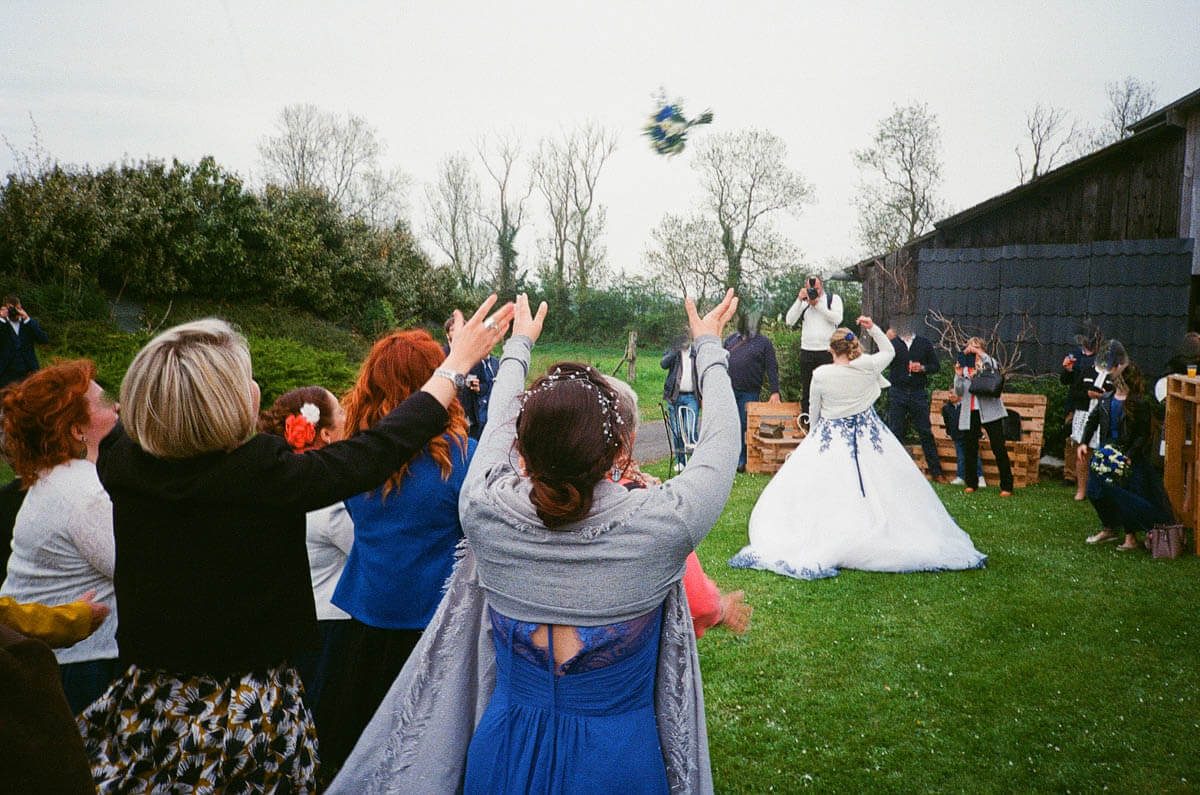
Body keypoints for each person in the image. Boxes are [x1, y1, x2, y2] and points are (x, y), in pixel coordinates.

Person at [78, 299, 511, 792]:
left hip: (150, 699)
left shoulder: (122, 467)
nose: (256, 387)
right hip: (245, 712)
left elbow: (128, 435)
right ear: (223, 403)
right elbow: (376, 451)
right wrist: (453, 367)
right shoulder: (260, 475)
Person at [330, 291, 742, 795]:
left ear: (521, 447)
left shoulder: (482, 512)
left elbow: (498, 426)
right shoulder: (663, 526)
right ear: (620, 447)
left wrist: (519, 346)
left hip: (501, 754)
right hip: (618, 764)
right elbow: (720, 446)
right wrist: (708, 349)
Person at [317, 329, 477, 772]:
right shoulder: (466, 460)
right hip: (434, 630)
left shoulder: (354, 458)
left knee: (359, 757)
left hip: (363, 627)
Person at [730, 317, 986, 580]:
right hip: (871, 436)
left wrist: (815, 438)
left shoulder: (821, 374)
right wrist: (872, 328)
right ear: (851, 347)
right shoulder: (867, 366)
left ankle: (835, 532)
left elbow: (814, 411)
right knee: (884, 485)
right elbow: (889, 351)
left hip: (831, 436)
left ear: (831, 350)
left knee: (827, 489)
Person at [0, 360, 121, 713]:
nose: (114, 406)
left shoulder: (56, 479)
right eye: (102, 402)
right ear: (76, 430)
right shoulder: (79, 492)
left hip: (54, 657)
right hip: (78, 666)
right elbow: (136, 567)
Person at [604, 374, 751, 639]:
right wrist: (719, 608)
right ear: (629, 439)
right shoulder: (647, 506)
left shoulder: (524, 500)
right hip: (632, 654)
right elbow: (699, 604)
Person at [256, 386, 353, 719]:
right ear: (325, 434)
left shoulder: (277, 480)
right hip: (330, 622)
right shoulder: (326, 498)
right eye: (340, 411)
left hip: (295, 614)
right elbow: (361, 550)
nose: (346, 417)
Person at [1081, 353, 1172, 550]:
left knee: (1125, 495)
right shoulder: (1106, 398)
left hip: (1128, 454)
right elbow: (1092, 420)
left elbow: (1143, 434)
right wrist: (1083, 443)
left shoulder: (1138, 402)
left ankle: (1131, 537)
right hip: (1105, 452)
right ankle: (1109, 528)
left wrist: (1129, 456)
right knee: (1094, 491)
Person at [885, 317, 944, 482]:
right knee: (896, 431)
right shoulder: (893, 344)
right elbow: (881, 362)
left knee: (925, 431)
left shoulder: (924, 343)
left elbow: (935, 366)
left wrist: (923, 368)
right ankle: (893, 471)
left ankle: (936, 472)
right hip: (898, 391)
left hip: (918, 392)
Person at [954, 337, 1014, 497]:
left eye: (976, 347)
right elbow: (959, 392)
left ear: (982, 349)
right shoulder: (966, 368)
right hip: (970, 411)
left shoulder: (988, 364)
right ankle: (971, 483)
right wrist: (959, 375)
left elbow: (995, 366)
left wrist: (979, 353)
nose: (972, 349)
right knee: (970, 448)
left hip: (990, 411)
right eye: (969, 347)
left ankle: (1007, 486)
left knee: (998, 447)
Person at [724, 310, 780, 472]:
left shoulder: (764, 343)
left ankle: (742, 460)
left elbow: (772, 368)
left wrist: (775, 391)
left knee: (744, 425)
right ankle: (729, 459)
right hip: (729, 391)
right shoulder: (730, 340)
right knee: (729, 426)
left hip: (749, 392)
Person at [785, 275, 843, 419]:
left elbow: (837, 319)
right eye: (811, 288)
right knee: (808, 389)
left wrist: (817, 304)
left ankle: (828, 420)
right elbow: (789, 321)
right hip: (807, 351)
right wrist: (799, 299)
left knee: (828, 388)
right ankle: (807, 422)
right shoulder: (804, 303)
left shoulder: (832, 299)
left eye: (816, 288)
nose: (814, 291)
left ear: (821, 286)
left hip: (827, 351)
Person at [1061, 321, 1102, 500]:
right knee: (1074, 442)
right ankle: (1072, 477)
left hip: (1098, 405)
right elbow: (1066, 381)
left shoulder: (1101, 357)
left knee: (1095, 446)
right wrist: (1068, 370)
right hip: (1078, 402)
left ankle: (1094, 484)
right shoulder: (1075, 355)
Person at [444, 313, 499, 440]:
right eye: (453, 329)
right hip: (449, 419)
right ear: (447, 335)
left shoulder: (475, 357)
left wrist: (479, 387)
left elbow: (486, 384)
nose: (458, 331)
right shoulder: (440, 356)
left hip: (472, 419)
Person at [661, 330, 700, 472]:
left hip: (691, 397)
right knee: (677, 431)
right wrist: (674, 350)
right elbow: (663, 364)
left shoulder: (696, 352)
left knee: (690, 431)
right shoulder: (673, 350)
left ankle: (695, 463)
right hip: (674, 396)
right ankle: (681, 461)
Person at [0, 295, 49, 388]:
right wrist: (1, 319)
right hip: (5, 373)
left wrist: (27, 320)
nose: (14, 311)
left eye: (17, 308)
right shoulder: (2, 324)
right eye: (11, 309)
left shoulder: (29, 323)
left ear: (21, 307)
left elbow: (44, 340)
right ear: (4, 309)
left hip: (28, 371)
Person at [941, 392, 984, 487]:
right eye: (949, 393)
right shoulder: (946, 408)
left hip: (969, 435)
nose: (951, 395)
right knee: (960, 457)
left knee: (974, 455)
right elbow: (947, 422)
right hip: (957, 436)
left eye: (953, 393)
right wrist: (949, 433)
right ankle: (961, 477)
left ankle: (980, 477)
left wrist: (979, 434)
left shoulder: (966, 407)